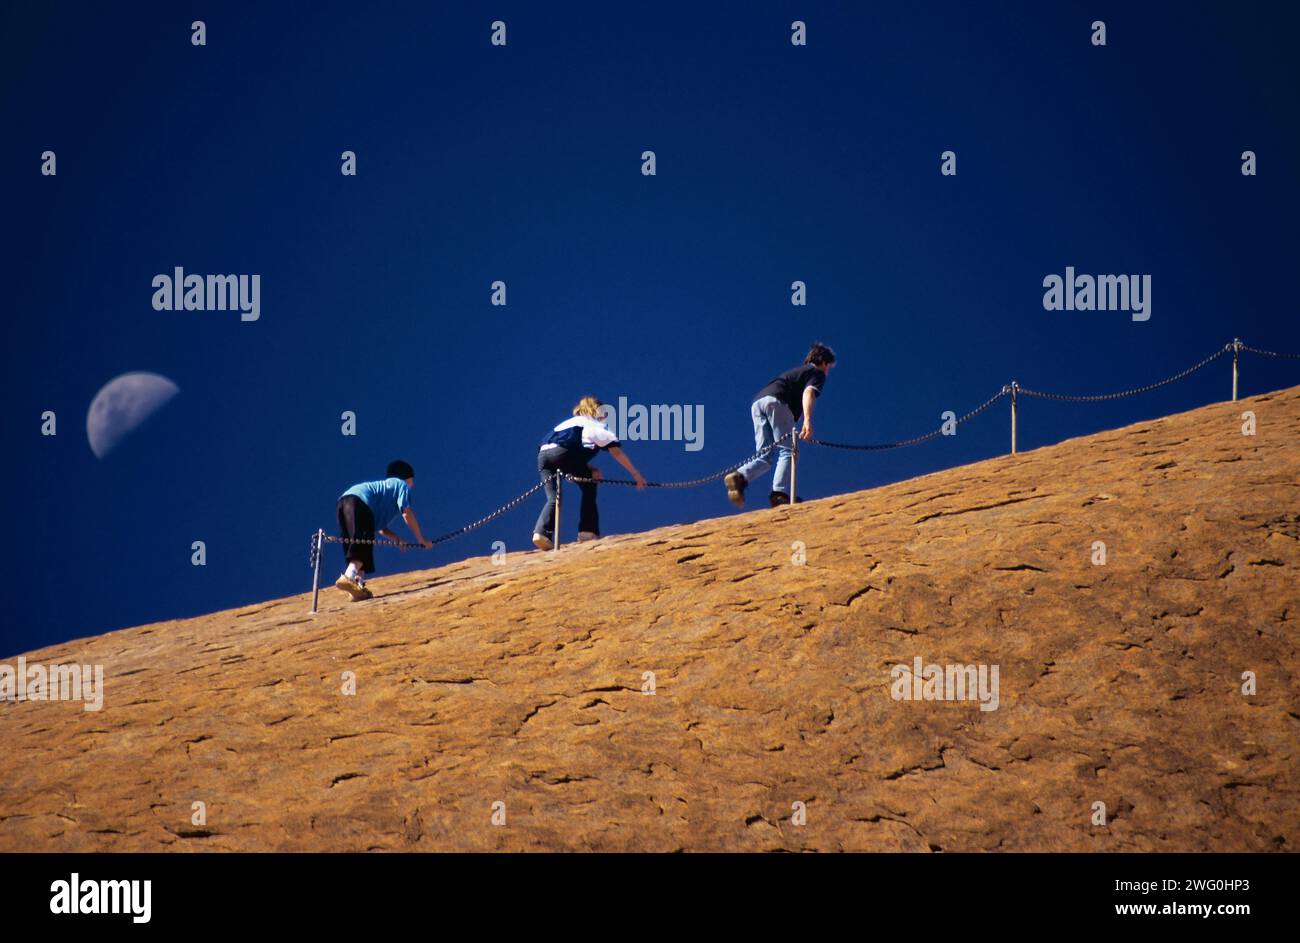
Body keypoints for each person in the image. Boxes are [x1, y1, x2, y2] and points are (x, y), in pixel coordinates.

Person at [725, 343, 836, 508]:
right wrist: (807, 420)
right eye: (829, 367)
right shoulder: (817, 373)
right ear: (824, 363)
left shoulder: (798, 372)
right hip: (777, 402)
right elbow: (809, 393)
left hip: (758, 402)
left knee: (764, 456)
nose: (828, 371)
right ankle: (779, 494)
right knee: (789, 450)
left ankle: (739, 477)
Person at [533, 397, 646, 550]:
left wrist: (589, 468)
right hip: (563, 456)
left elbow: (566, 447)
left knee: (553, 497)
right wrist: (636, 474)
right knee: (589, 486)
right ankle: (588, 531)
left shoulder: (570, 423)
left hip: (543, 457)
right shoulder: (594, 424)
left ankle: (541, 533)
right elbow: (616, 451)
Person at [335, 460, 431, 600]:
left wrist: (397, 539)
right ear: (406, 477)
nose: (413, 484)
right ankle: (349, 575)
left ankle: (358, 586)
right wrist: (421, 539)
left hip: (343, 504)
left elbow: (379, 528)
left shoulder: (384, 493)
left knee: (359, 542)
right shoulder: (400, 484)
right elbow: (406, 513)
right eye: (412, 480)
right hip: (359, 502)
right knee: (363, 543)